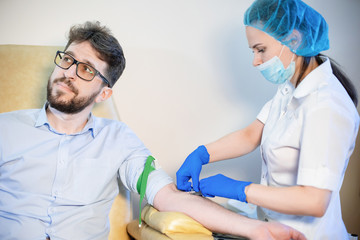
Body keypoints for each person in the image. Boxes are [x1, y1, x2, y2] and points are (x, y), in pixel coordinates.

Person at [0, 21, 306, 240]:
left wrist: (257, 229)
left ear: (104, 93)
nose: (68, 73)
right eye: (67, 60)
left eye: (87, 69)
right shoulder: (6, 128)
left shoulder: (118, 140)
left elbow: (168, 197)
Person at [176, 0, 359, 239]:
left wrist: (240, 190)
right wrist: (202, 154)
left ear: (294, 40)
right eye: (253, 51)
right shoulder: (290, 88)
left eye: (260, 49)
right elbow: (251, 135)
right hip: (272, 226)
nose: (255, 61)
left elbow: (315, 200)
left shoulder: (326, 105)